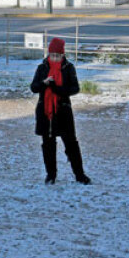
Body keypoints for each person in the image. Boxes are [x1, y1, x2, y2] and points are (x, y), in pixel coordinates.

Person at [31, 37, 91, 185]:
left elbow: (75, 88)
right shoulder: (42, 67)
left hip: (63, 110)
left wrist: (58, 89)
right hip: (45, 111)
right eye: (52, 55)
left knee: (71, 143)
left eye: (58, 56)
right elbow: (34, 87)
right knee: (48, 144)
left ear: (62, 55)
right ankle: (51, 174)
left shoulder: (68, 68)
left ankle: (79, 174)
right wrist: (44, 83)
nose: (55, 58)